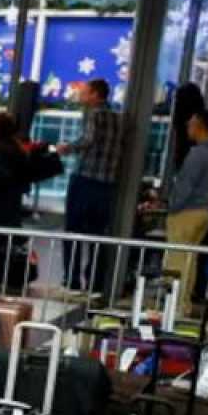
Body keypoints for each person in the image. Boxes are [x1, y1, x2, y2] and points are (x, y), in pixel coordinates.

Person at [58, 78, 126, 286]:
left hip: (85, 179)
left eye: (85, 92)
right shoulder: (119, 118)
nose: (80, 95)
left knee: (73, 230)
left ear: (96, 95)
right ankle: (95, 280)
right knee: (98, 234)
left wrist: (66, 147)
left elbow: (88, 139)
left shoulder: (94, 115)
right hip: (107, 183)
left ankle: (72, 279)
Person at [165, 109, 208, 311]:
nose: (188, 128)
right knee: (190, 261)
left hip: (186, 212)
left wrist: (170, 207)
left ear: (200, 126)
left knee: (177, 261)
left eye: (190, 124)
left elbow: (185, 186)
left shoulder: (198, 153)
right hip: (204, 210)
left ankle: (175, 305)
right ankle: (184, 303)